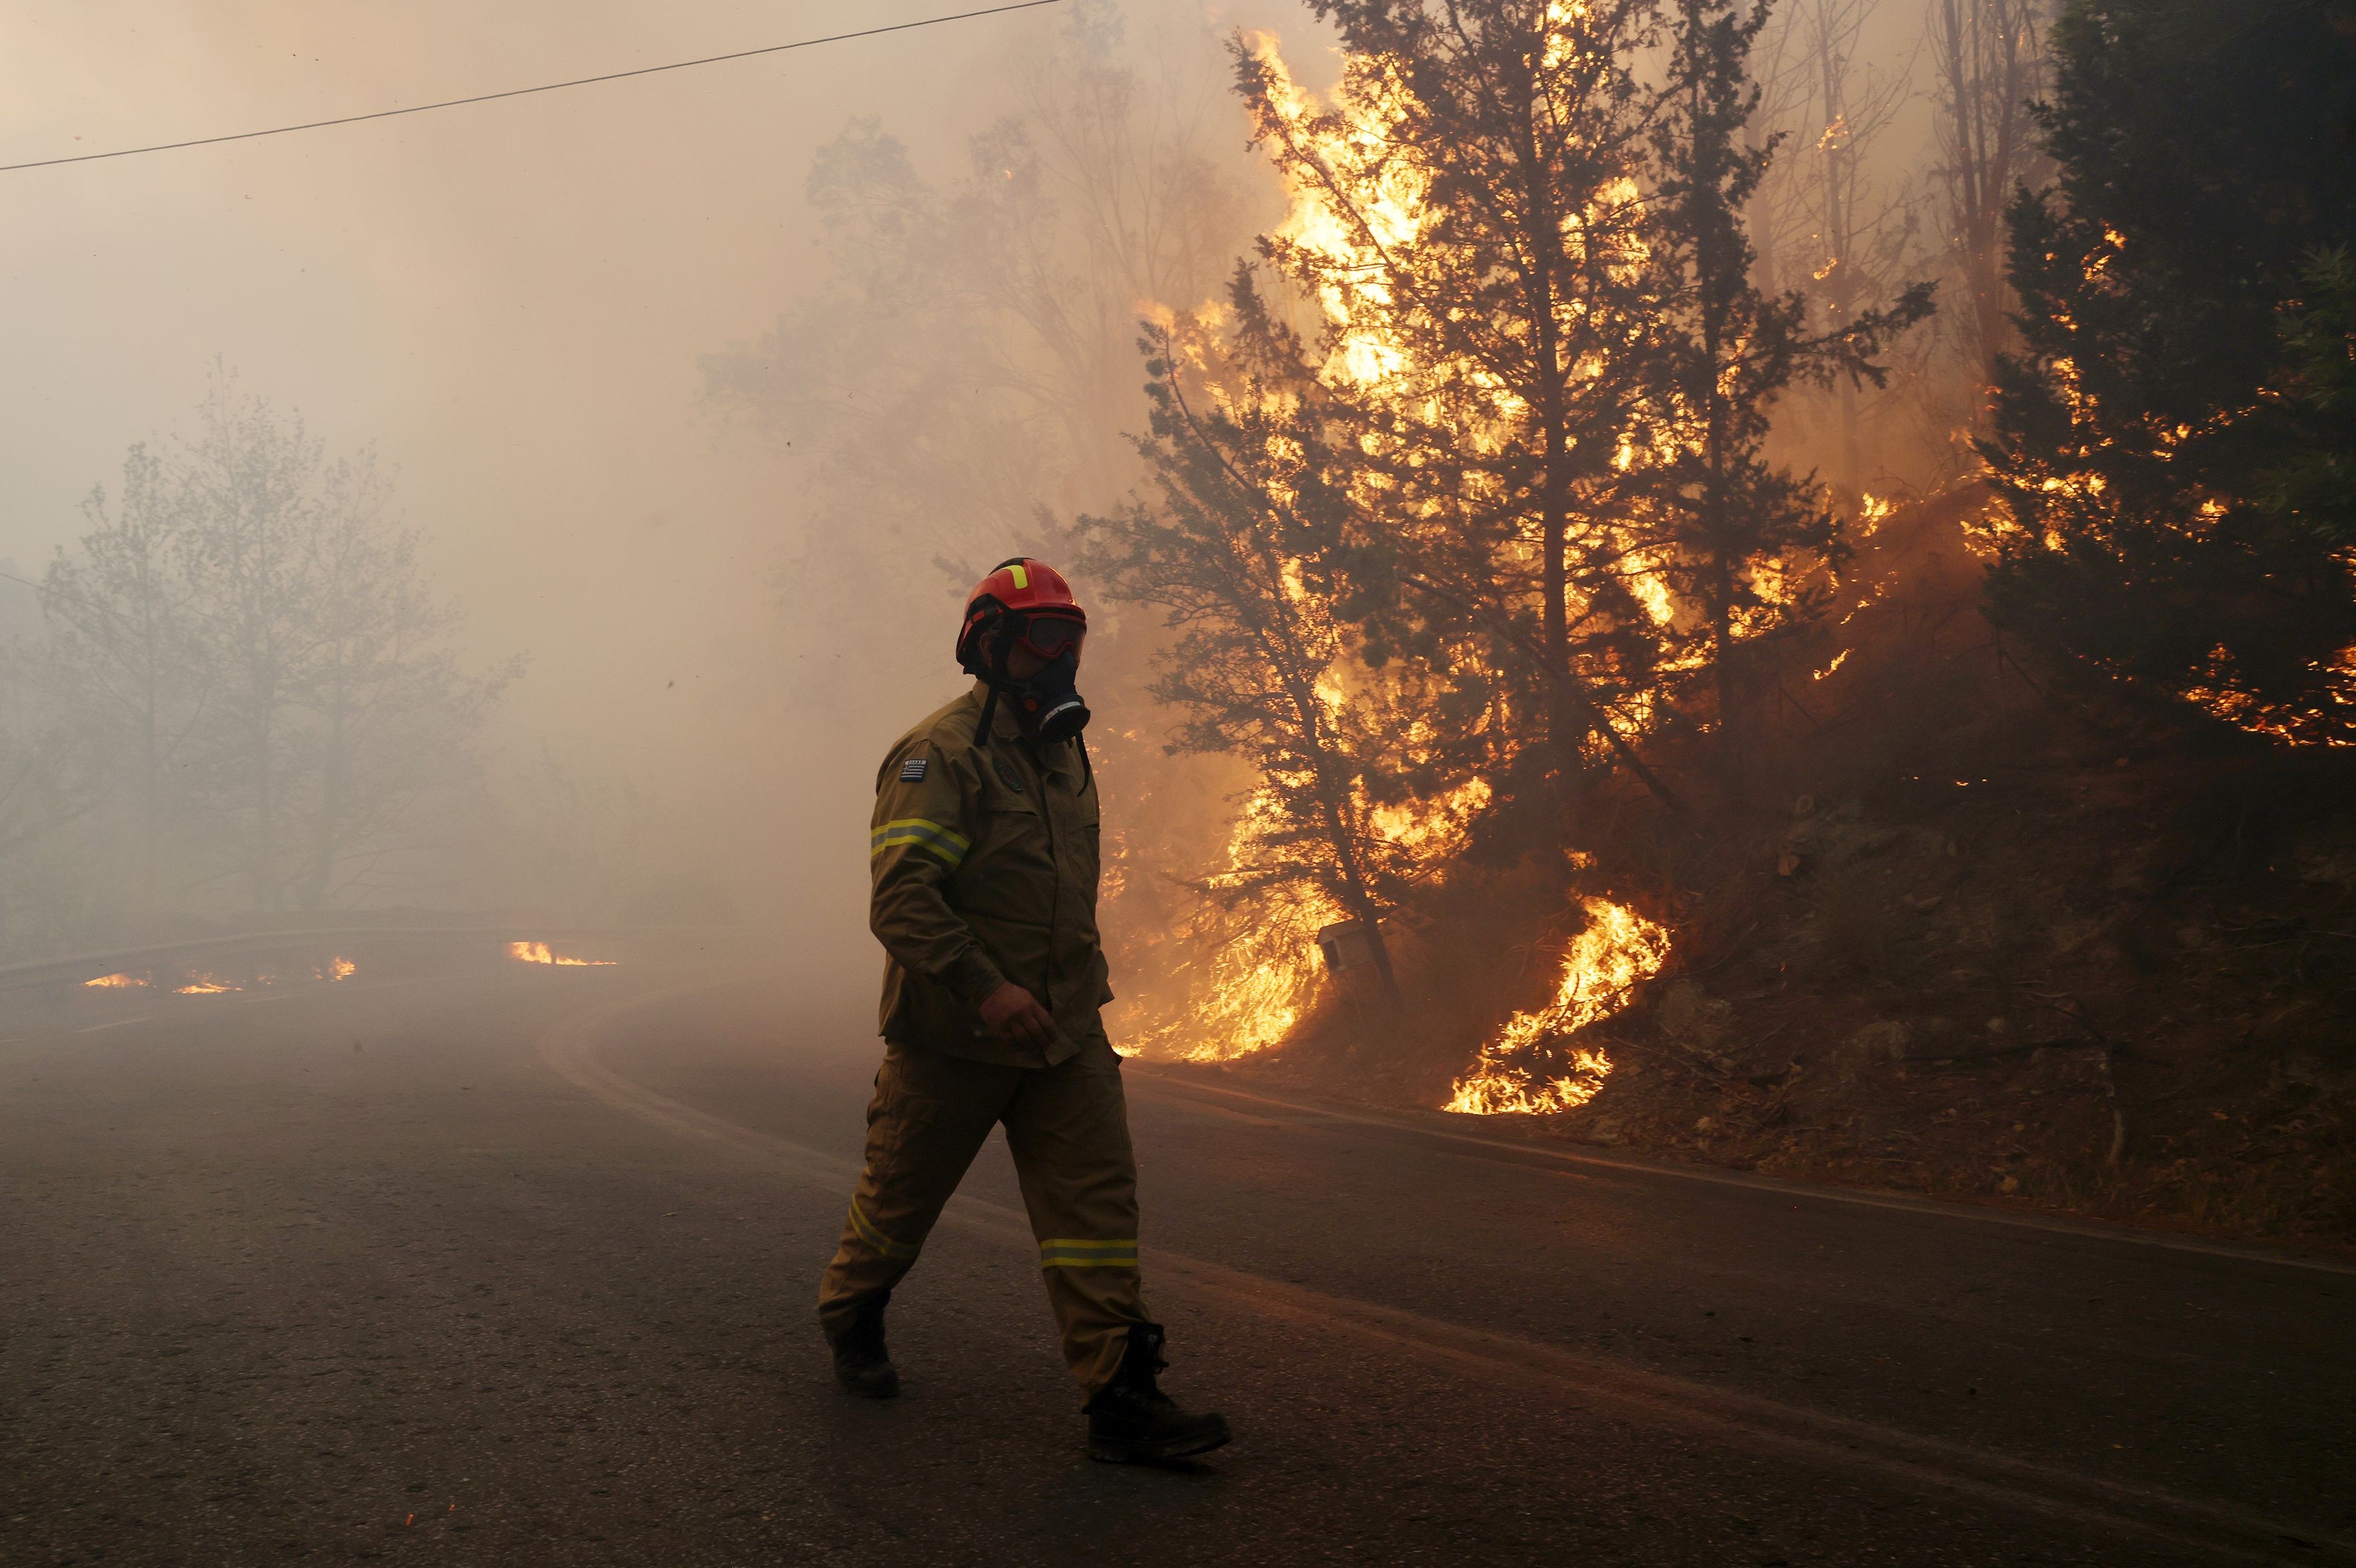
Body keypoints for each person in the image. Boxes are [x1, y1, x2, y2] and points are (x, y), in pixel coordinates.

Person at [817, 557, 1232, 1465]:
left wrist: (1068, 992)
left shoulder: (1066, 752)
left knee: (1096, 1214)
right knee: (897, 1206)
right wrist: (985, 986)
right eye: (1044, 637)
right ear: (989, 647)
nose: (1061, 659)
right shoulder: (937, 758)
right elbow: (901, 900)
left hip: (1066, 1031)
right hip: (954, 1036)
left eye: (1072, 638)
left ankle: (1121, 1395)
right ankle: (854, 1308)